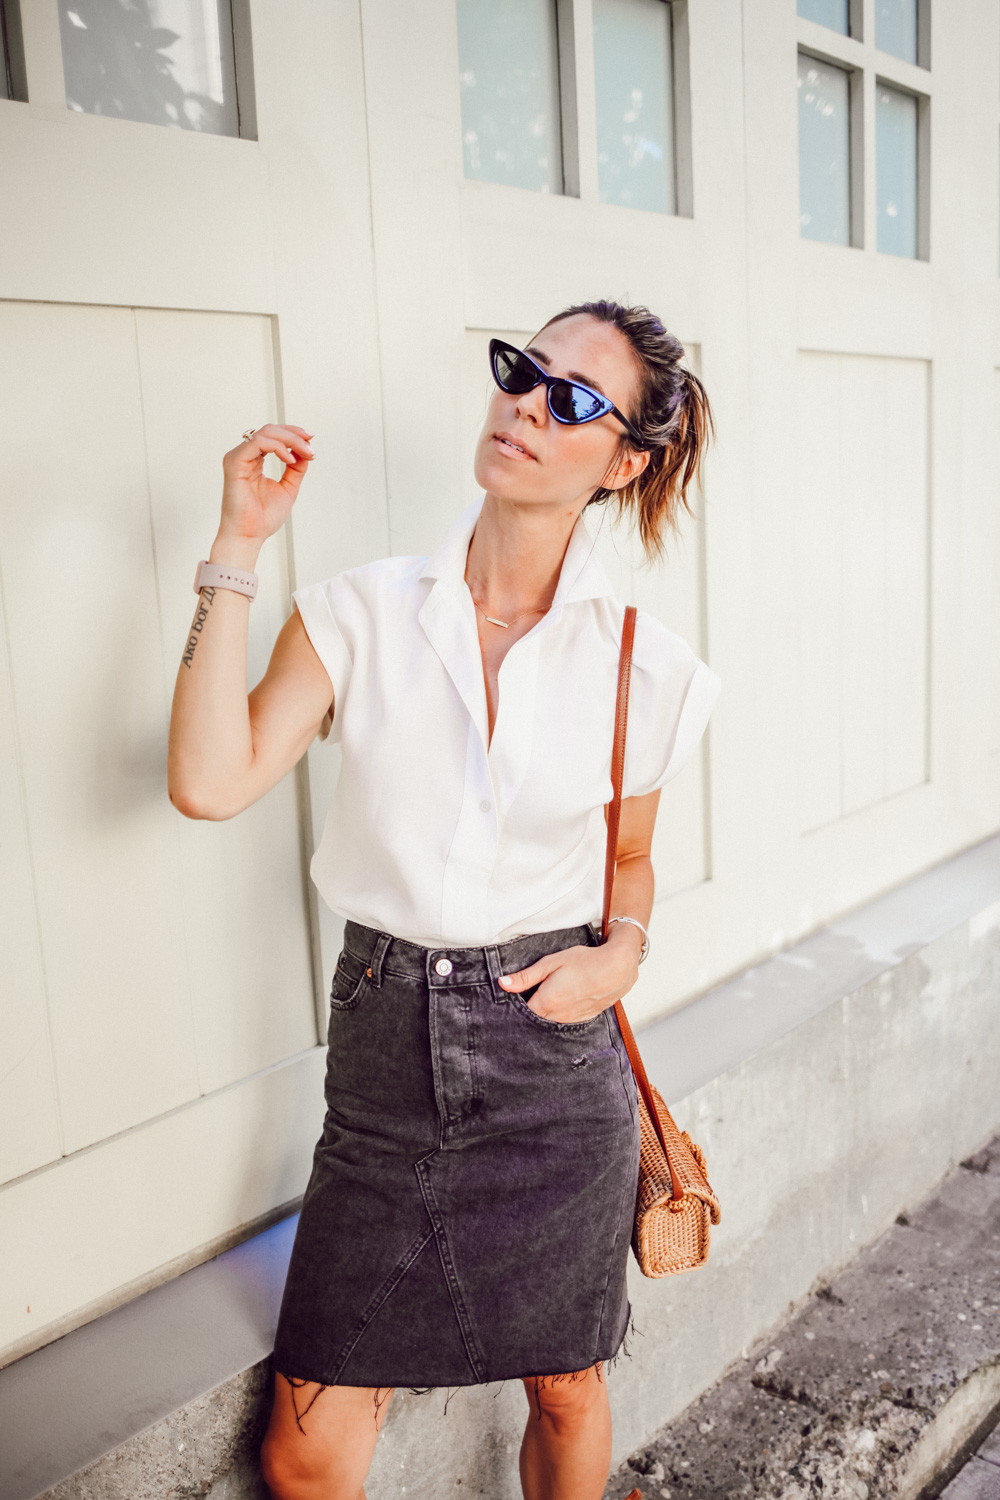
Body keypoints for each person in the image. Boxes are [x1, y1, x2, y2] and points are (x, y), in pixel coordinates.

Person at [167, 300, 721, 1500]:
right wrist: (240, 544)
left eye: (572, 395)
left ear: (623, 462)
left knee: (567, 1385)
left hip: (551, 1056)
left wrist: (622, 952)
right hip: (384, 1053)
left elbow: (630, 861)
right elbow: (209, 783)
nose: (527, 400)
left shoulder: (646, 666)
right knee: (307, 1442)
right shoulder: (357, 614)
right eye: (522, 370)